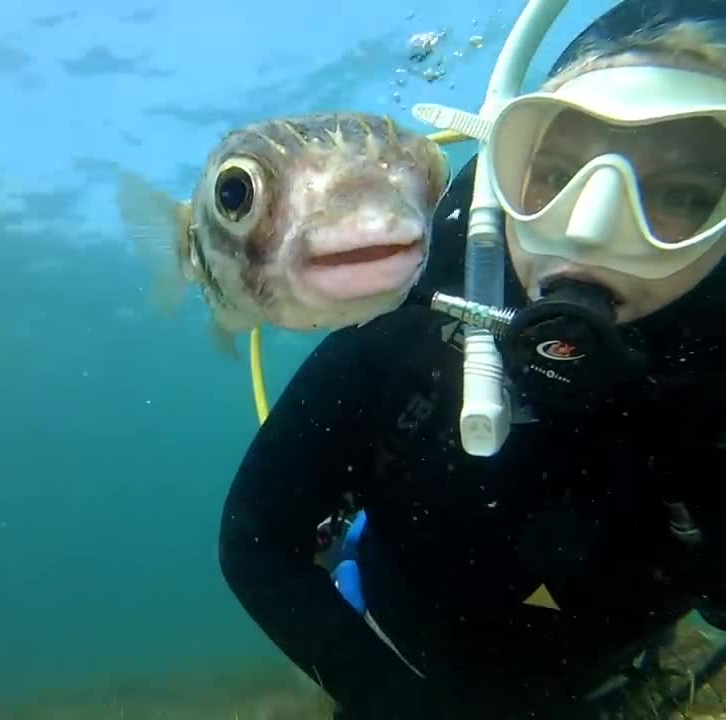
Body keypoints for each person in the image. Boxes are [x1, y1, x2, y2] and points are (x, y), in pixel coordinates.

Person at [217, 0, 726, 718]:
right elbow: (255, 538)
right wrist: (382, 696)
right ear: (501, 169)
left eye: (678, 193)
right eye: (552, 172)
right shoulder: (397, 336)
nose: (591, 227)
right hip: (396, 664)